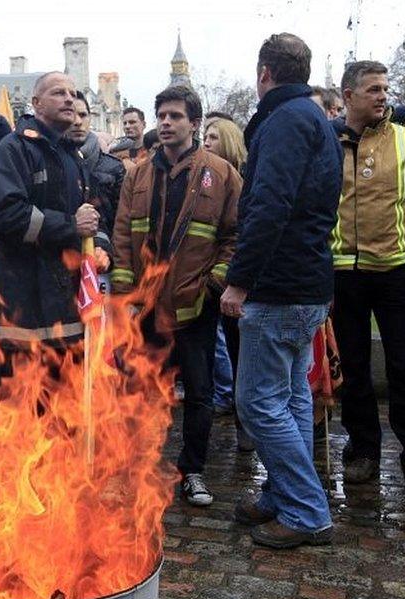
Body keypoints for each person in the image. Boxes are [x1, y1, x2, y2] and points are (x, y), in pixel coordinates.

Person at [219, 33, 342, 549]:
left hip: (279, 286)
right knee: (289, 399)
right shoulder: (312, 118)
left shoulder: (286, 121)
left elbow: (270, 206)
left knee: (257, 404)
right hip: (304, 283)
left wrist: (240, 279)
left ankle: (307, 511)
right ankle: (284, 492)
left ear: (264, 72)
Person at [112, 84, 240, 508]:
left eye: (176, 116)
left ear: (194, 122)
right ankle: (138, 469)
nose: (166, 123)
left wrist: (214, 283)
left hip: (193, 305)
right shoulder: (138, 174)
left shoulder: (220, 174)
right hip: (146, 305)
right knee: (141, 390)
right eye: (162, 116)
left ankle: (193, 471)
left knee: (200, 392)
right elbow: (123, 236)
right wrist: (127, 290)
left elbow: (235, 234)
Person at [330, 61, 405, 506]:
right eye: (374, 89)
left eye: (386, 88)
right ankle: (363, 451)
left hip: (397, 273)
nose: (384, 96)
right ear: (349, 95)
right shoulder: (328, 143)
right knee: (354, 370)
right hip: (342, 276)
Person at [0, 71, 109, 376]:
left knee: (65, 406)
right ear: (36, 103)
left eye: (73, 93)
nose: (69, 98)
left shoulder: (72, 156)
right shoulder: (12, 150)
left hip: (66, 305)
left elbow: (93, 215)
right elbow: (4, 216)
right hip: (22, 310)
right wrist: (69, 225)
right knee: (24, 410)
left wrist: (101, 248)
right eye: (59, 93)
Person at [201, 117, 248, 442]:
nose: (206, 142)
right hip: (209, 280)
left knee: (239, 349)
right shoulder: (203, 178)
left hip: (238, 278)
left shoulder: (242, 177)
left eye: (213, 137)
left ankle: (245, 423)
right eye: (204, 135)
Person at [68, 91, 126, 243]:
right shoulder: (50, 162)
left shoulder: (114, 167)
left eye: (82, 115)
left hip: (105, 254)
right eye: (71, 115)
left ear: (90, 118)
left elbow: (123, 220)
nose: (77, 121)